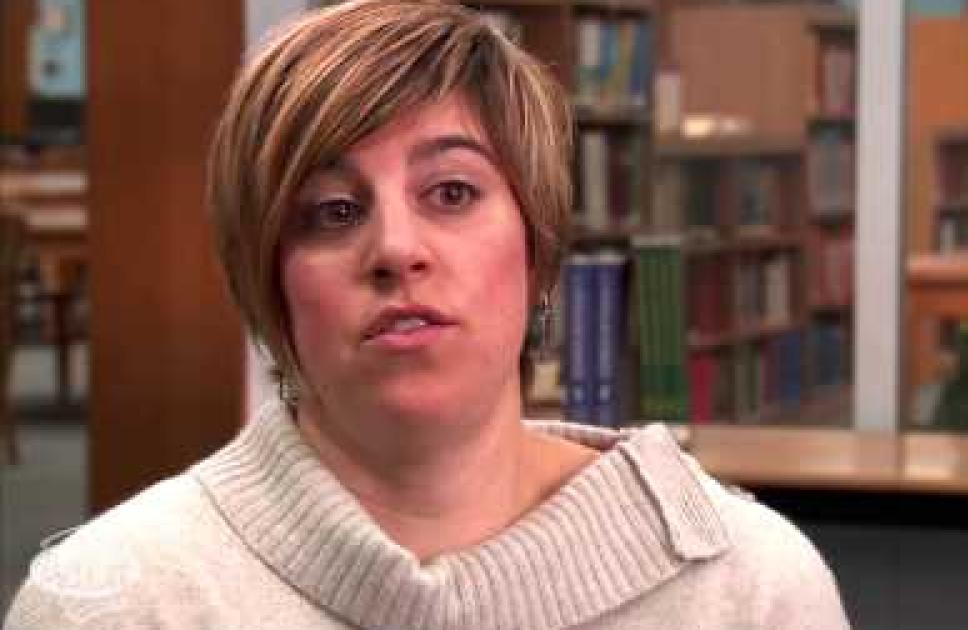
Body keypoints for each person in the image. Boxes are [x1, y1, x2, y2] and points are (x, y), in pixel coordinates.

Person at [3, 1, 850, 628]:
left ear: (538, 247)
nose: (396, 249)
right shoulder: (113, 603)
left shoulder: (749, 586)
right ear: (269, 283)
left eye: (451, 192)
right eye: (333, 211)